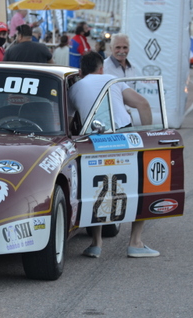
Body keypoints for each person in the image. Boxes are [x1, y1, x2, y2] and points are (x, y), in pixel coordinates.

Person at [68, 52, 155, 258]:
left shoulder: (74, 88)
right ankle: (135, 242)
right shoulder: (111, 79)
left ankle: (96, 244)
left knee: (98, 187)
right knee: (137, 186)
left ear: (81, 72)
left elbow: (70, 120)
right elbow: (142, 104)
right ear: (101, 68)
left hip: (95, 140)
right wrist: (148, 135)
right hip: (123, 135)